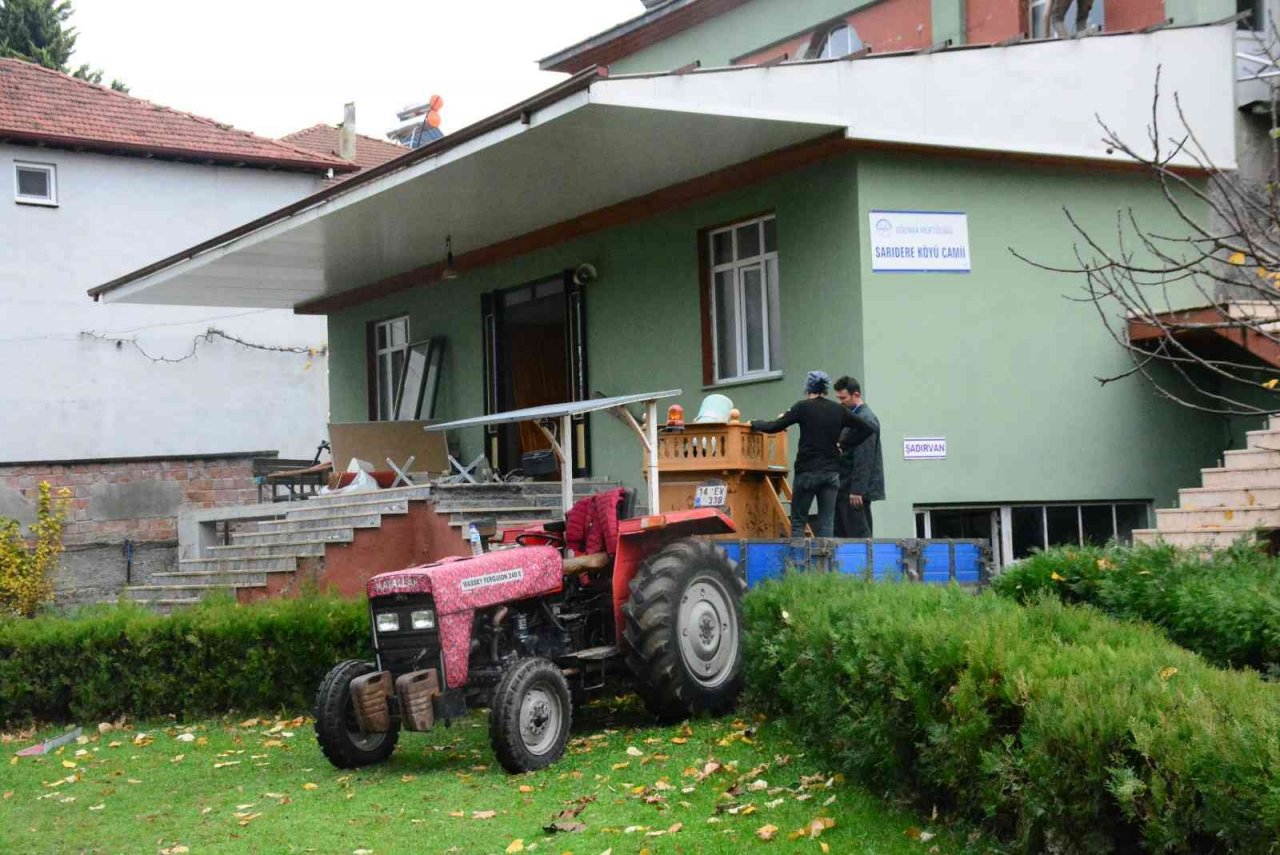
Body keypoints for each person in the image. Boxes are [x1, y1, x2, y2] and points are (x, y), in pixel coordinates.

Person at [751, 370, 876, 538]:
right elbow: (867, 429)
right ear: (825, 389)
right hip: (831, 474)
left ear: (808, 388)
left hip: (807, 471)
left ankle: (798, 561)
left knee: (798, 522)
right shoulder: (837, 409)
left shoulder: (802, 407)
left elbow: (774, 426)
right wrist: (843, 444)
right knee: (827, 523)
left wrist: (754, 423)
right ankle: (825, 563)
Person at [834, 376, 884, 538]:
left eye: (844, 398)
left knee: (858, 535)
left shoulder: (865, 420)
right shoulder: (855, 417)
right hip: (848, 486)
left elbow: (865, 457)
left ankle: (864, 564)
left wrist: (857, 490)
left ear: (856, 394)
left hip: (853, 490)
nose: (841, 402)